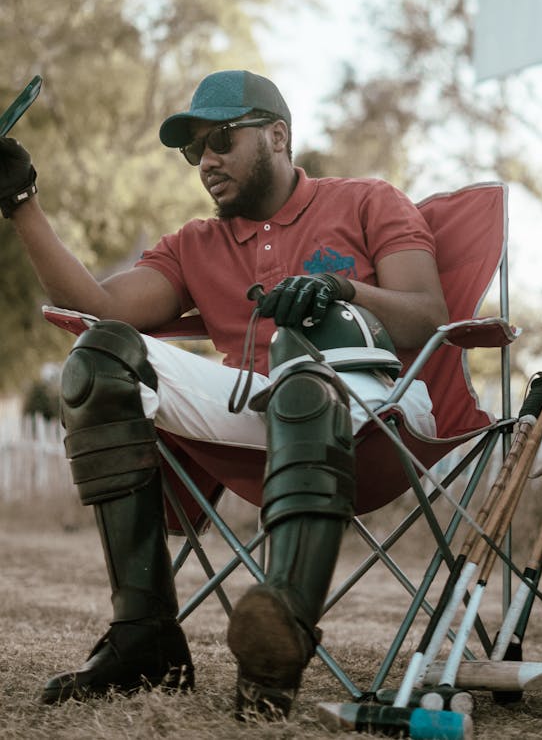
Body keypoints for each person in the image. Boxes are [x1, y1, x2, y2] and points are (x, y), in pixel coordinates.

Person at [0, 69, 449, 719]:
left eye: (221, 141)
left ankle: (283, 624)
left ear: (277, 135)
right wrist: (21, 203)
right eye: (194, 150)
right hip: (258, 405)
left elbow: (427, 316)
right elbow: (96, 305)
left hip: (379, 403)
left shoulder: (366, 200)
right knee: (101, 355)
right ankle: (144, 635)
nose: (205, 161)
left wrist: (343, 292)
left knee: (303, 363)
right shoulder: (195, 245)